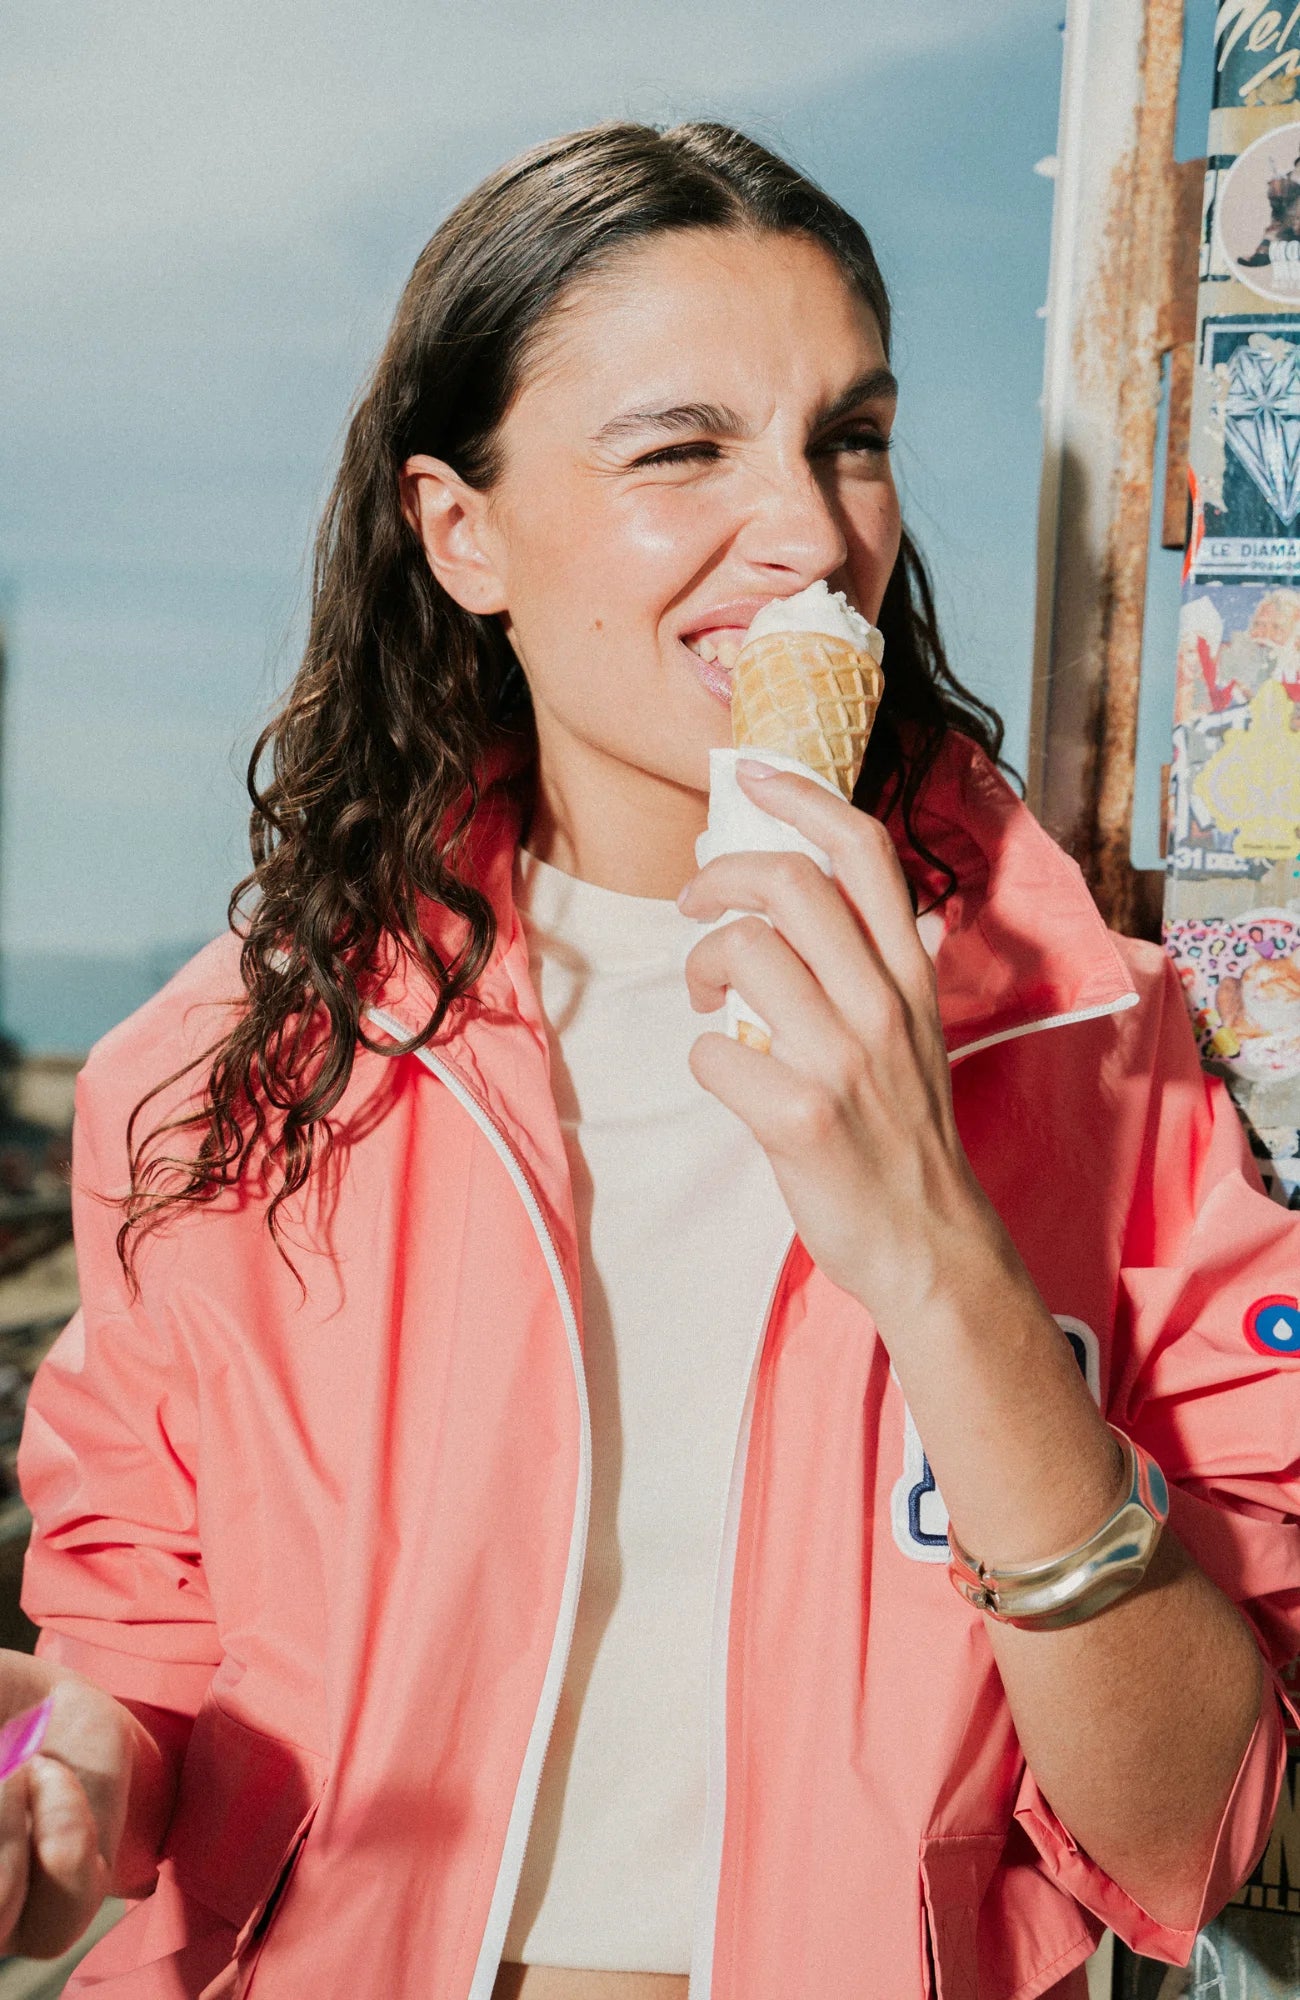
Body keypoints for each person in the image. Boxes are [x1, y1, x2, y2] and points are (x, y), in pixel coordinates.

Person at [2, 121, 1298, 2000]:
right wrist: (55, 1784)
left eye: (849, 438)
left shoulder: (1098, 1048)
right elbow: (144, 1675)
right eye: (682, 449)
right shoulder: (219, 1071)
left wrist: (940, 1257)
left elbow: (1201, 1829)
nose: (812, 536)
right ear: (462, 534)